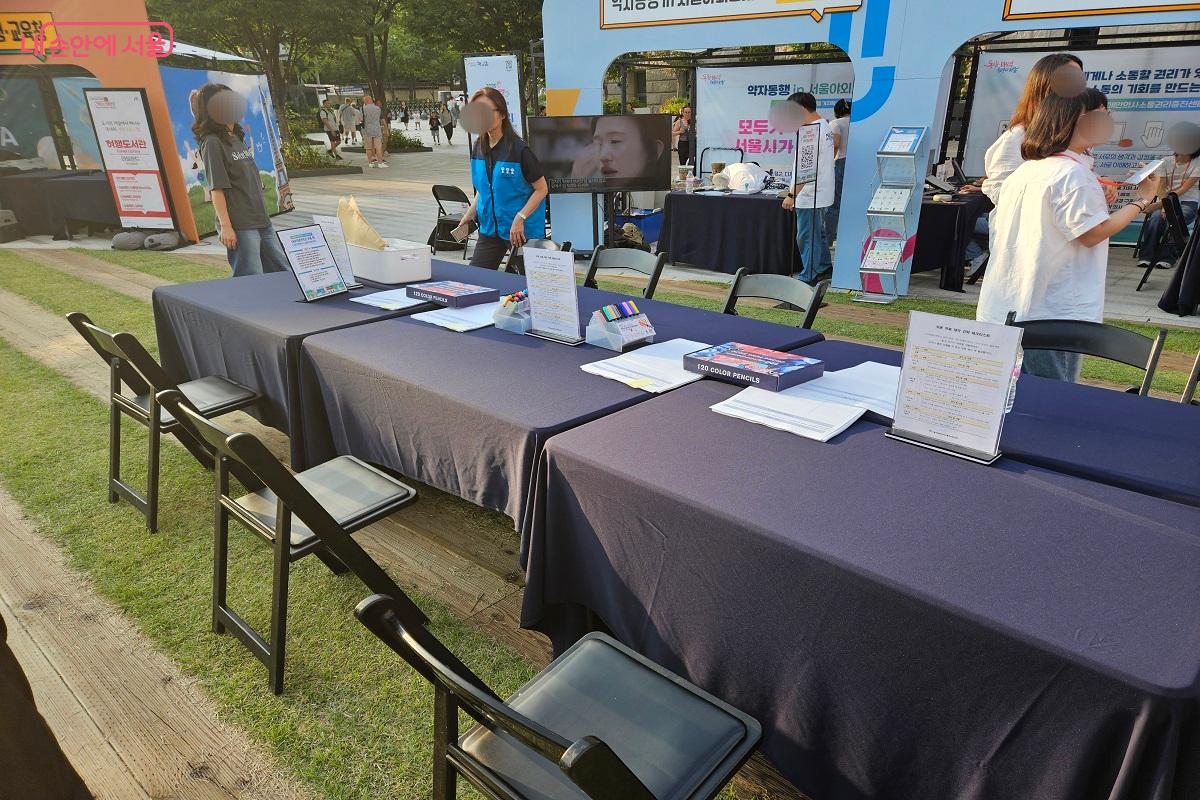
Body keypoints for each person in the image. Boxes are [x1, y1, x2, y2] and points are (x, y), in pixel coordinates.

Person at [977, 88, 1158, 383]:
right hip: (1050, 313)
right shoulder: (1071, 174)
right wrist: (1141, 200)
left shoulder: (1032, 170)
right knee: (1051, 402)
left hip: (1010, 305)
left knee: (1012, 399)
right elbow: (1092, 234)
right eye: (1104, 114)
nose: (1110, 121)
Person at [962, 54, 1113, 271]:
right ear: (1045, 85)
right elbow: (1002, 191)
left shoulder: (1073, 137)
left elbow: (1068, 176)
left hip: (1065, 240)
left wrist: (1097, 183)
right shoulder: (1017, 137)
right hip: (1030, 239)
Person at [193, 83, 290, 277]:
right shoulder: (212, 142)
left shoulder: (235, 137)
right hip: (241, 225)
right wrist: (226, 227)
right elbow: (217, 189)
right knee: (250, 278)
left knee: (283, 271)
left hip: (260, 219)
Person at [458, 87, 549, 269]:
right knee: (475, 280)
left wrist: (520, 218)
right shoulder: (478, 148)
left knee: (533, 285)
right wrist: (470, 213)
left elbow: (542, 189)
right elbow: (486, 188)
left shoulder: (519, 150)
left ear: (502, 115)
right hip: (490, 228)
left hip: (521, 231)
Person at [781, 92, 835, 284]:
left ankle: (809, 276)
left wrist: (791, 195)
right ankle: (822, 268)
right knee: (817, 233)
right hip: (820, 192)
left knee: (806, 237)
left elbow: (806, 170)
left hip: (810, 194)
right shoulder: (824, 126)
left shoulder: (810, 132)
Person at [1136, 121, 1200, 272]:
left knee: (1175, 219)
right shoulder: (1166, 161)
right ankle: (1147, 255)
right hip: (1165, 202)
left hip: (1187, 202)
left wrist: (1163, 205)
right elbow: (1160, 186)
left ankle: (1168, 257)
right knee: (1156, 219)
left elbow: (1184, 189)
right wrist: (1164, 204)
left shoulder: (1198, 163)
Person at [570, 115, 670, 188]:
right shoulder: (590, 184)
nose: (603, 156)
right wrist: (576, 183)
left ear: (656, 150)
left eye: (615, 141)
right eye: (598, 143)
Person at [826, 98, 851, 243]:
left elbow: (835, 144)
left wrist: (828, 164)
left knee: (834, 203)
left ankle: (828, 239)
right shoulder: (859, 123)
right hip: (857, 164)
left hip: (841, 162)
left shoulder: (835, 123)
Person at [361, 95, 387, 168]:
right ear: (371, 100)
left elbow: (360, 119)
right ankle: (380, 163)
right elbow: (379, 119)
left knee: (368, 147)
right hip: (376, 129)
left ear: (365, 101)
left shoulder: (363, 109)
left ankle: (370, 163)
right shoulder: (377, 108)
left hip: (367, 130)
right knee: (378, 147)